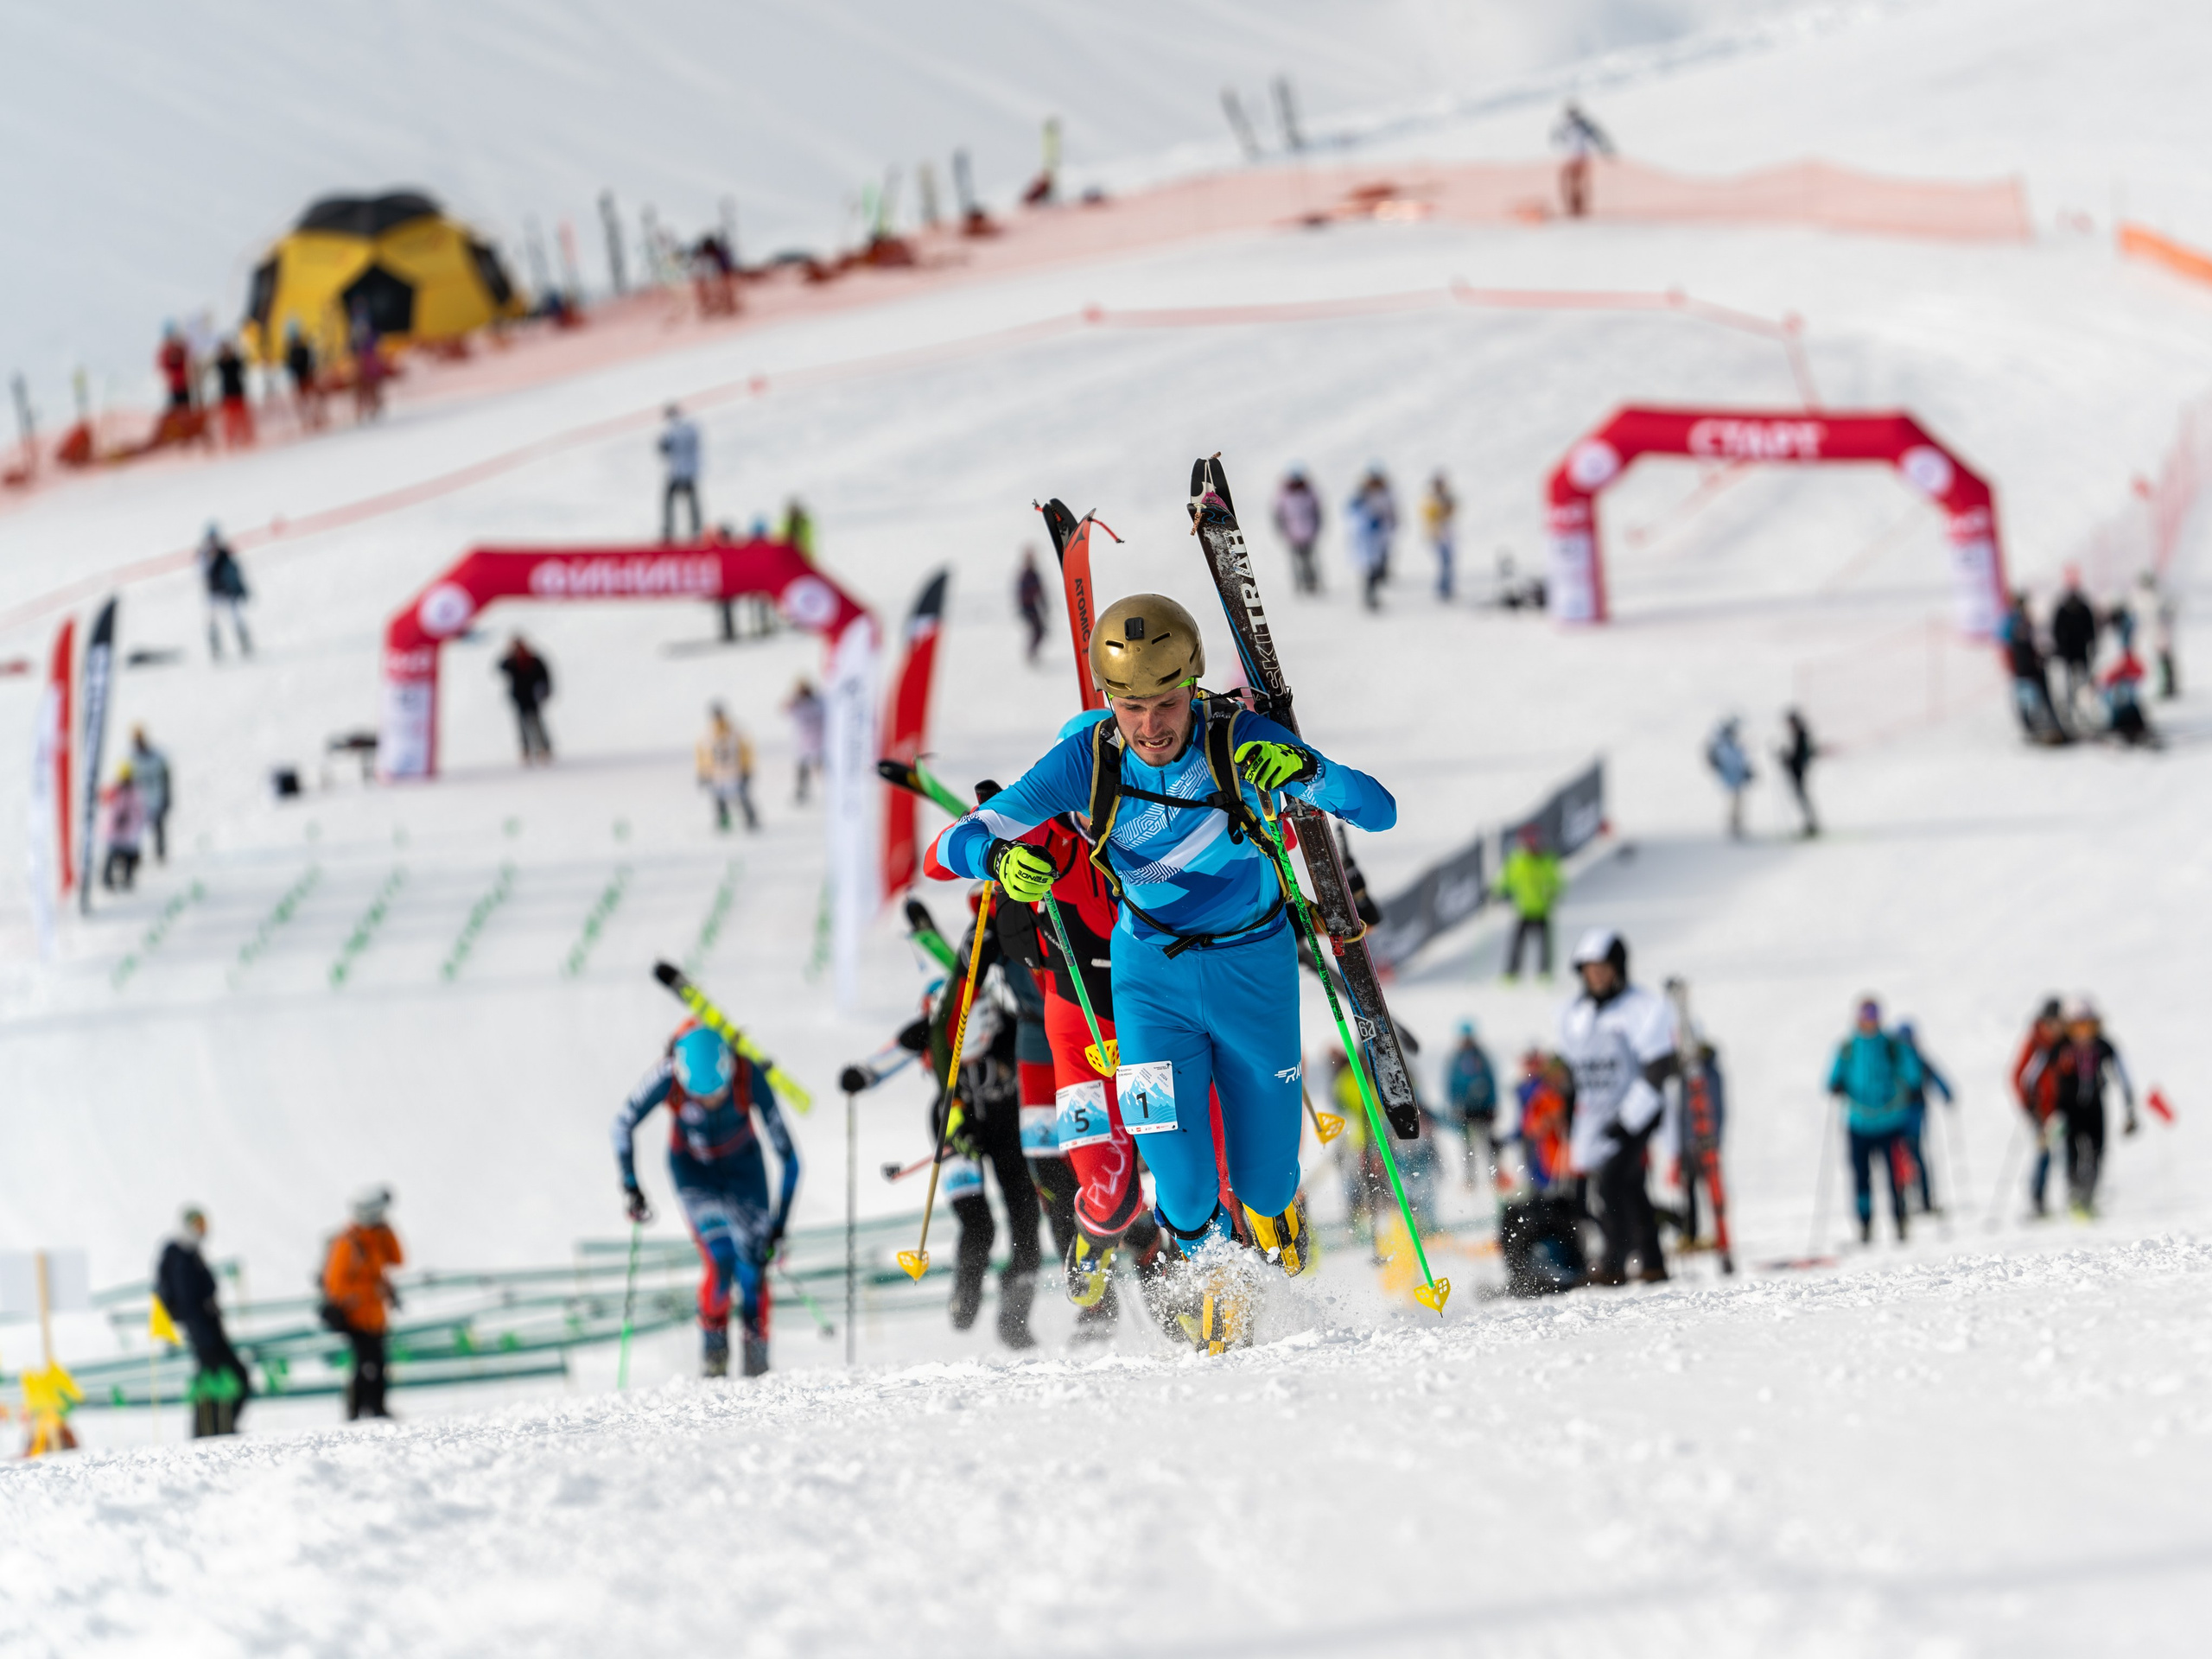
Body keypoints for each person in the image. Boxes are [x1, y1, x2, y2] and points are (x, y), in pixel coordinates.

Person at [925, 592, 1396, 1349]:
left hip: (1255, 975)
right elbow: (948, 845)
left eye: (1167, 702)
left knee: (1268, 1184)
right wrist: (995, 856)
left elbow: (1378, 810)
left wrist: (1308, 773)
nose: (1150, 725)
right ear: (1108, 699)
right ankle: (1215, 1292)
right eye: (1130, 704)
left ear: (1195, 685)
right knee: (1181, 1188)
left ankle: (1267, 1235)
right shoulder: (1085, 756)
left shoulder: (1238, 740)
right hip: (1148, 986)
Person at [614, 1021, 799, 1376]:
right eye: (700, 1096)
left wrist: (779, 1226)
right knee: (720, 1262)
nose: (711, 1101)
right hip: (694, 1173)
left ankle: (756, 1363)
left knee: (753, 1269)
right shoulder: (667, 1074)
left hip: (744, 1171)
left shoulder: (747, 1074)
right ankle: (714, 1360)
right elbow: (622, 1123)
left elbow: (791, 1159)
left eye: (718, 1092)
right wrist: (631, 1186)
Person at [1557, 928, 1676, 1285]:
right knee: (1630, 1186)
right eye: (1588, 969)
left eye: (1602, 968)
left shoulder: (1642, 1007)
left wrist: (1630, 1118)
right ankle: (1653, 1262)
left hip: (1638, 1112)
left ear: (1618, 968)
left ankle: (1614, 1262)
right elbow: (1571, 1069)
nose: (1595, 976)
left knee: (1611, 1185)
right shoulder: (1576, 1013)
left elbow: (1658, 1067)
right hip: (1598, 1114)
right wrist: (1569, 1110)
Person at [2024, 999, 2137, 1219]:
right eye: (2078, 1026)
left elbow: (2123, 1076)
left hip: (2095, 1108)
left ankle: (2089, 1198)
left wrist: (2130, 1109)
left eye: (2089, 1026)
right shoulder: (2060, 1046)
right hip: (2067, 1109)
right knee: (2072, 1152)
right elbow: (2032, 1076)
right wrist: (2035, 1109)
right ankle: (2074, 1196)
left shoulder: (2104, 1046)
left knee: (2097, 1152)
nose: (2083, 1033)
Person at [1825, 997, 1919, 1244]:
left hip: (1891, 1122)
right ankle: (1865, 1225)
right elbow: (1833, 1076)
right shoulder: (1847, 1048)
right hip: (1858, 1124)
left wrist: (1914, 1085)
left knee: (1895, 1176)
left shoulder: (1891, 1046)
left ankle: (1900, 1221)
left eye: (1873, 1015)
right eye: (1865, 1015)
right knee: (1861, 1177)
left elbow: (1911, 1071)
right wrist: (1835, 1084)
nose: (1869, 1021)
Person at [155, 1205, 250, 1437]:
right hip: (204, 1333)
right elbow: (188, 1302)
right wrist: (204, 1335)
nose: (202, 1231)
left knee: (215, 1382)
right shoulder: (181, 1257)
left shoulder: (190, 1253)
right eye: (198, 1226)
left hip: (208, 1330)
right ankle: (212, 1432)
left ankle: (211, 1432)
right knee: (226, 1380)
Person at [321, 1187, 404, 1421]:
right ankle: (358, 1411)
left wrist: (388, 1229)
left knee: (377, 1364)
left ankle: (375, 1409)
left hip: (376, 1316)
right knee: (366, 1365)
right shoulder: (347, 1244)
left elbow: (397, 1259)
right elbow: (335, 1285)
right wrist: (371, 1290)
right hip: (357, 1318)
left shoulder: (374, 1240)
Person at [2012, 997, 2066, 1217]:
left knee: (2066, 1151)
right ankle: (2037, 1200)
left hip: (2062, 1108)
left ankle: (2072, 1197)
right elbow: (2018, 1075)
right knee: (2044, 1154)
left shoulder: (2063, 1042)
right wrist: (2027, 1105)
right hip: (2040, 1111)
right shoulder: (2035, 1042)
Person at [1892, 1020, 1953, 1215]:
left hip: (1894, 1119)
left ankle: (1902, 1202)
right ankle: (1925, 1199)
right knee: (1917, 1157)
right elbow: (1937, 1079)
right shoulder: (1918, 1059)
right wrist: (1947, 1094)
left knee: (1899, 1160)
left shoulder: (1893, 1060)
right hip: (1916, 1118)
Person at [1497, 823, 1561, 978]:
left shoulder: (1546, 859)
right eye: (1529, 841)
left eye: (1535, 840)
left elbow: (1556, 880)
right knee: (1517, 945)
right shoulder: (1517, 861)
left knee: (1544, 946)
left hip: (1541, 909)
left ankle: (1545, 973)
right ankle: (1512, 973)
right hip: (1523, 909)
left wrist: (1553, 893)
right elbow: (1506, 879)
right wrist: (1500, 891)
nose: (1532, 844)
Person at [2000, 593, 2065, 744]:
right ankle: (2040, 729)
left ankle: (2049, 729)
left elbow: (2035, 646)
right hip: (2026, 671)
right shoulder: (2014, 624)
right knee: (2032, 702)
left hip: (2031, 670)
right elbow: (2012, 649)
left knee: (2039, 701)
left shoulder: (2023, 623)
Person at [1443, 1020, 1498, 1189]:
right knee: (1467, 1146)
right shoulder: (1456, 1058)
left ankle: (1494, 1176)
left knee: (1487, 1143)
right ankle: (1469, 1178)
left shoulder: (1481, 1056)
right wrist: (1453, 1106)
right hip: (1465, 1110)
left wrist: (1493, 1104)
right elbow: (1450, 1084)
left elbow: (1490, 1080)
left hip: (1483, 1108)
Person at [696, 703, 758, 831]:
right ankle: (724, 822)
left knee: (741, 797)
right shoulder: (708, 733)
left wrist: (747, 768)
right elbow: (702, 755)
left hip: (734, 771)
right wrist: (703, 772)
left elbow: (745, 750)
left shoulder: (734, 731)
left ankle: (750, 819)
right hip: (717, 773)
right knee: (720, 800)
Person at [1344, 468, 1396, 611]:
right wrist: (1368, 523)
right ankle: (1369, 597)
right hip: (1365, 540)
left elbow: (1391, 512)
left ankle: (1375, 591)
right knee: (1368, 570)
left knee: (1378, 566)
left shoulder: (1385, 494)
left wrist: (1388, 525)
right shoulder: (1359, 498)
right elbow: (1352, 518)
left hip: (1380, 537)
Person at [199, 524, 252, 660]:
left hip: (227, 593)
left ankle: (245, 646)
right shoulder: (203, 556)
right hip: (214, 594)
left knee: (236, 618)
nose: (213, 541)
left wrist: (239, 588)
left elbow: (235, 572)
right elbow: (201, 574)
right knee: (212, 621)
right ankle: (216, 650)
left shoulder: (225, 553)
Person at [497, 636, 554, 765]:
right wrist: (509, 655)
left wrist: (545, 690)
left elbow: (545, 676)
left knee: (536, 723)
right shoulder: (512, 661)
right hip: (519, 698)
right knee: (522, 726)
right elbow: (501, 667)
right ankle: (527, 749)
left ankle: (543, 748)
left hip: (533, 697)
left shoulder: (533, 660)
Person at [1551, 101, 1614, 218]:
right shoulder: (1565, 126)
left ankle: (1581, 207)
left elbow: (1598, 137)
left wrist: (1606, 150)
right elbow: (1555, 138)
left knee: (1580, 185)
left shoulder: (1585, 125)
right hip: (1570, 159)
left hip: (1583, 159)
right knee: (1571, 185)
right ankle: (1572, 207)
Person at [2050, 572, 2099, 715]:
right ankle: (2072, 707)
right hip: (2069, 652)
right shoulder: (2062, 610)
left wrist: (2092, 645)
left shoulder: (2083, 608)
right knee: (2069, 681)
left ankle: (2085, 706)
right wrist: (2060, 649)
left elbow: (2091, 629)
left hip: (2081, 650)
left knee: (2084, 680)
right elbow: (2056, 632)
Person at [1272, 467, 1323, 594]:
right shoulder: (1283, 495)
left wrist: (1316, 529)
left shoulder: (1309, 493)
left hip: (1308, 533)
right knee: (1296, 561)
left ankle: (1312, 583)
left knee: (1309, 560)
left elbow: (1317, 513)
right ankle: (1299, 583)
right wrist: (1284, 532)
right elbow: (1278, 516)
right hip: (1292, 535)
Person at [658, 404, 702, 543]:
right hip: (689, 471)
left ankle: (669, 531)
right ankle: (696, 529)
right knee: (692, 501)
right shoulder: (691, 426)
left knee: (669, 500)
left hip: (677, 472)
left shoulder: (673, 428)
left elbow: (665, 448)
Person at [2133, 568, 2177, 699]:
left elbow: (2170, 610)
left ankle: (2168, 685)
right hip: (2156, 634)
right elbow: (2143, 619)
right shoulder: (2143, 598)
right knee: (2161, 660)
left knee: (2165, 660)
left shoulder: (2157, 596)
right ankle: (2165, 685)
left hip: (2162, 633)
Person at [100, 764, 146, 892]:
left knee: (130, 857)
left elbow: (140, 811)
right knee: (111, 855)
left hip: (129, 831)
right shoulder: (115, 790)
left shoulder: (136, 791)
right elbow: (104, 799)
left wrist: (137, 824)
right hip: (114, 830)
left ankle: (127, 878)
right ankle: (107, 880)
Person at [1704, 717, 1752, 838]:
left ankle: (1738, 826)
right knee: (1732, 804)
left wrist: (1746, 772)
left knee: (1739, 803)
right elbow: (1726, 761)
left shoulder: (1734, 744)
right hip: (1729, 779)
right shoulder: (1723, 744)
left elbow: (1740, 761)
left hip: (1738, 778)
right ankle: (1733, 827)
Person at [129, 728, 172, 864]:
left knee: (158, 827)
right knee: (136, 830)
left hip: (156, 797)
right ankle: (135, 857)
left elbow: (166, 777)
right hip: (139, 801)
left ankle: (160, 854)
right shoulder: (131, 758)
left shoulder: (156, 756)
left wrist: (167, 797)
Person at [2101, 647, 2157, 747]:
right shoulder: (2114, 677)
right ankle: (2122, 726)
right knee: (2121, 704)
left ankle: (2133, 725)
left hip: (2119, 692)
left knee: (2129, 703)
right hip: (2111, 691)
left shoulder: (2132, 669)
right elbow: (2105, 686)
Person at [1778, 709, 1819, 837]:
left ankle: (1811, 825)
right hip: (1797, 770)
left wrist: (1787, 759)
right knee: (1801, 798)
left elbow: (1799, 755)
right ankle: (1809, 824)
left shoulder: (1801, 735)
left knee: (1802, 797)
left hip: (1799, 771)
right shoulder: (1798, 734)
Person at [785, 678, 825, 804]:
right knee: (802, 770)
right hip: (805, 744)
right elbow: (785, 708)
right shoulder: (798, 704)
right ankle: (801, 791)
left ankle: (834, 788)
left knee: (822, 767)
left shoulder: (817, 703)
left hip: (819, 742)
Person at [1420, 472, 1457, 601]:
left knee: (1449, 562)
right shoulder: (1431, 500)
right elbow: (1430, 516)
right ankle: (1441, 589)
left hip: (1447, 535)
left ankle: (1447, 588)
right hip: (1436, 536)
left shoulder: (1447, 498)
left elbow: (1453, 511)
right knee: (1443, 563)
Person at [349, 299, 386, 423]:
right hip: (361, 359)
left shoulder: (370, 324)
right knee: (362, 386)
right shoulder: (354, 326)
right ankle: (364, 409)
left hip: (369, 358)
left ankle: (375, 406)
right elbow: (352, 344)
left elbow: (377, 338)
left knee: (373, 385)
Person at [213, 338, 255, 448]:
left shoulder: (235, 361)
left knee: (243, 417)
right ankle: (230, 440)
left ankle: (247, 436)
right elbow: (219, 366)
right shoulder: (221, 363)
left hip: (238, 392)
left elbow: (242, 366)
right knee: (230, 420)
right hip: (228, 395)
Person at [283, 321, 324, 430]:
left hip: (307, 378)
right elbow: (291, 367)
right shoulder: (292, 352)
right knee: (304, 402)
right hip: (300, 380)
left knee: (313, 399)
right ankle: (307, 421)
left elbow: (311, 363)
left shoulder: (303, 350)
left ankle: (316, 418)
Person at [1016, 546, 1048, 664]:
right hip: (1028, 608)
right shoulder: (1026, 575)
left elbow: (1041, 591)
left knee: (1040, 631)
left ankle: (1033, 653)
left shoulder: (1034, 574)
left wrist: (1045, 605)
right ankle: (1031, 654)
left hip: (1034, 607)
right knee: (1037, 631)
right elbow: (1022, 593)